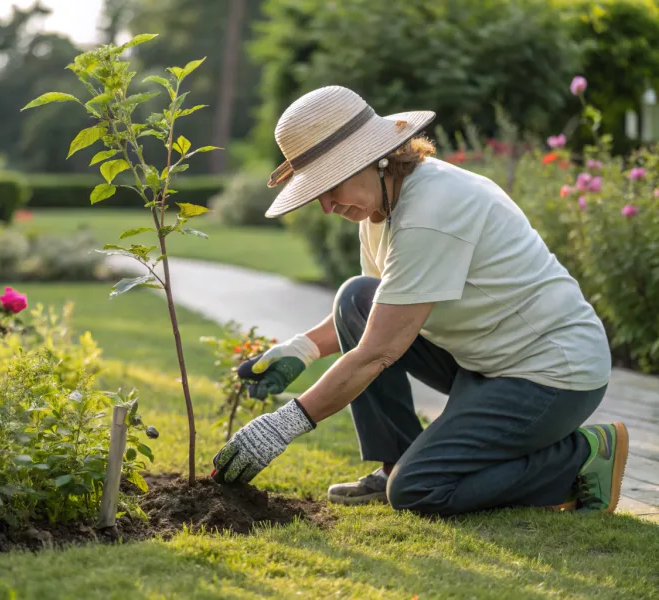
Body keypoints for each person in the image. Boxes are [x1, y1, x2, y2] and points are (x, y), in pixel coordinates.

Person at [210, 85, 628, 516]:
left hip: (551, 375)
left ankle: (580, 456)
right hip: (485, 362)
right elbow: (377, 315)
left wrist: (285, 424)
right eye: (316, 192)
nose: (327, 206)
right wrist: (302, 348)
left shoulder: (433, 209)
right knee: (356, 298)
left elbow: (377, 352)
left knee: (420, 490)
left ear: (374, 158)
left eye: (330, 185)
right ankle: (395, 463)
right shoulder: (380, 206)